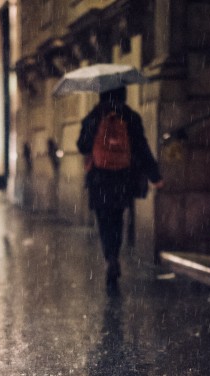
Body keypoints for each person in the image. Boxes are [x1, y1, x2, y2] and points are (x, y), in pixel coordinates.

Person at [77, 86, 163, 287]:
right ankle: (115, 254)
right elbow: (142, 148)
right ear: (123, 94)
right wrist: (155, 176)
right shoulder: (130, 116)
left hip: (99, 178)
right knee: (117, 218)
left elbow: (82, 145)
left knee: (103, 219)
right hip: (123, 178)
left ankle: (110, 258)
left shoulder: (95, 115)